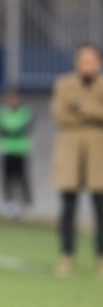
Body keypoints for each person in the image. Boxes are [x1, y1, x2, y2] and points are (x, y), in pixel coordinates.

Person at [50, 44, 103, 278]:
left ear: (98, 62)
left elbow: (81, 110)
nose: (87, 65)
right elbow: (60, 113)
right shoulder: (64, 84)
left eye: (91, 60)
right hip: (70, 148)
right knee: (68, 207)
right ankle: (67, 255)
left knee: (100, 208)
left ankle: (101, 258)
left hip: (97, 151)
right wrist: (93, 112)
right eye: (83, 60)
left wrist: (83, 107)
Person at [0, 89, 33, 219]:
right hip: (6, 150)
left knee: (22, 178)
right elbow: (0, 129)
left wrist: (11, 129)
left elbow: (21, 128)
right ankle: (9, 204)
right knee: (7, 179)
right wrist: (12, 129)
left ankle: (25, 203)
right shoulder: (2, 112)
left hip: (20, 150)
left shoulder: (25, 112)